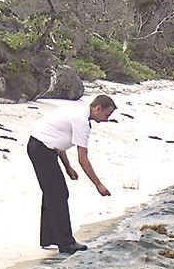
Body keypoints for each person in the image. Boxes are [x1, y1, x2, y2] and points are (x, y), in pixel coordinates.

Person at [27, 94, 115, 254]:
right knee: (59, 194)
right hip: (41, 149)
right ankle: (66, 243)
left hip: (41, 147)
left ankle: (49, 238)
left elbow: (58, 141)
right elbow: (83, 159)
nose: (107, 119)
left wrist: (67, 167)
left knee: (52, 194)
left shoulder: (79, 112)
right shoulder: (81, 121)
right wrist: (98, 185)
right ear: (98, 108)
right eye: (106, 115)